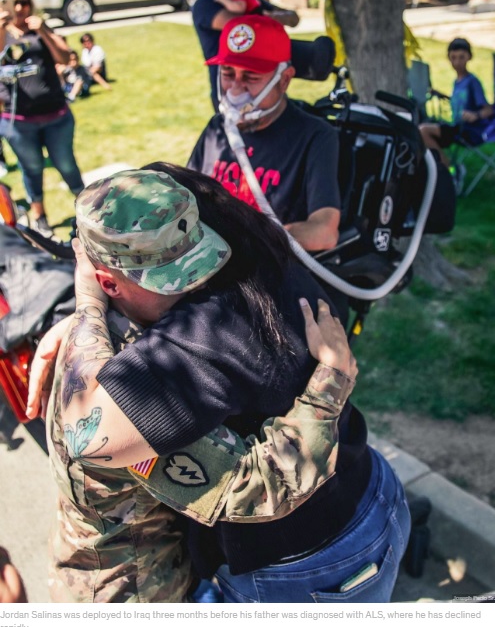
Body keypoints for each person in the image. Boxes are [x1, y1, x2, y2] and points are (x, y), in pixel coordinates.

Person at [29, 165, 409, 603]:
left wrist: (88, 310)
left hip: (327, 545)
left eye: (193, 255)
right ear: (108, 281)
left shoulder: (187, 324)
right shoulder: (240, 244)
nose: (195, 281)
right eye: (167, 277)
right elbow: (89, 431)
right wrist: (331, 385)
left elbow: (255, 486)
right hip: (361, 499)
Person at [188, 14, 341, 254]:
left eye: (251, 77)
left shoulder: (315, 136)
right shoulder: (218, 127)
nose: (236, 90)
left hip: (268, 271)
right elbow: (185, 194)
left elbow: (324, 231)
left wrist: (245, 239)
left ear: (285, 79)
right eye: (228, 74)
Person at [0, 0, 85, 238]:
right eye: (13, 2)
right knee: (32, 167)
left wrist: (44, 30)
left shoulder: (40, 29)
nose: (19, 8)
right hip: (19, 121)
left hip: (56, 116)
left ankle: (87, 207)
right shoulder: (2, 31)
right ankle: (39, 215)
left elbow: (66, 57)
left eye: (23, 2)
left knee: (66, 163)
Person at [191, 0, 299, 108]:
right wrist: (268, 19)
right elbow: (242, 26)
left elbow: (293, 18)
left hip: (264, 84)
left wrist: (269, 17)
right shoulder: (205, 4)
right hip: (228, 87)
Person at [420, 38, 494, 179]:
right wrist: (443, 97)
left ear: (469, 57)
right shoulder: (457, 82)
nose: (457, 62)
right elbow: (460, 103)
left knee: (423, 131)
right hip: (456, 127)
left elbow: (488, 109)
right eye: (453, 58)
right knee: (421, 128)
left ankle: (449, 173)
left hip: (468, 131)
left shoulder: (472, 82)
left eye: (461, 57)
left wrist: (476, 115)